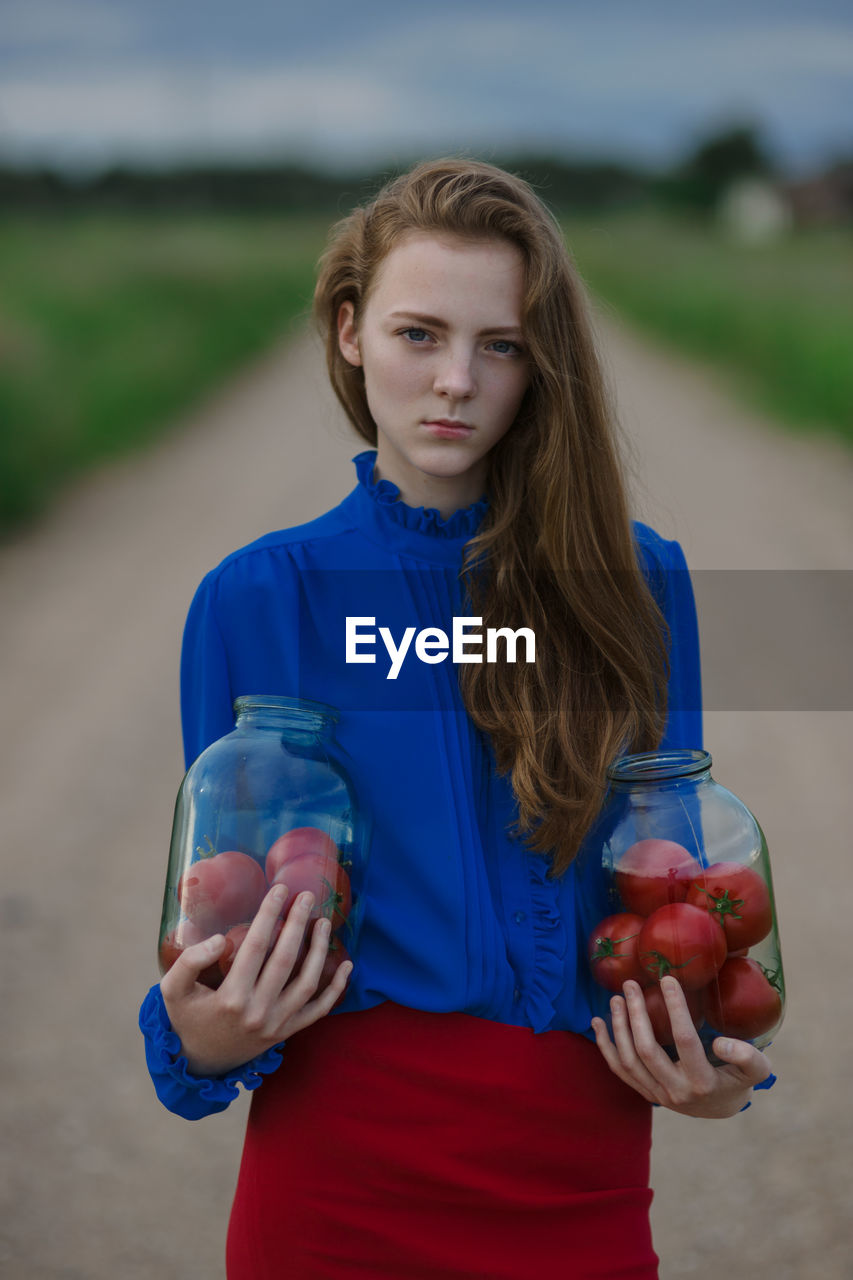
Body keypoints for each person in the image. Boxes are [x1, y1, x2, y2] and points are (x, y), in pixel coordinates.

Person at [139, 158, 774, 1279]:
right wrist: (194, 1042)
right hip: (338, 1176)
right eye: (417, 334)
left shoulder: (635, 582)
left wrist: (716, 1070)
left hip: (575, 1169)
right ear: (348, 333)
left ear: (543, 364)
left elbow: (662, 875)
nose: (455, 382)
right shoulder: (260, 598)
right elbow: (221, 906)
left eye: (502, 344)